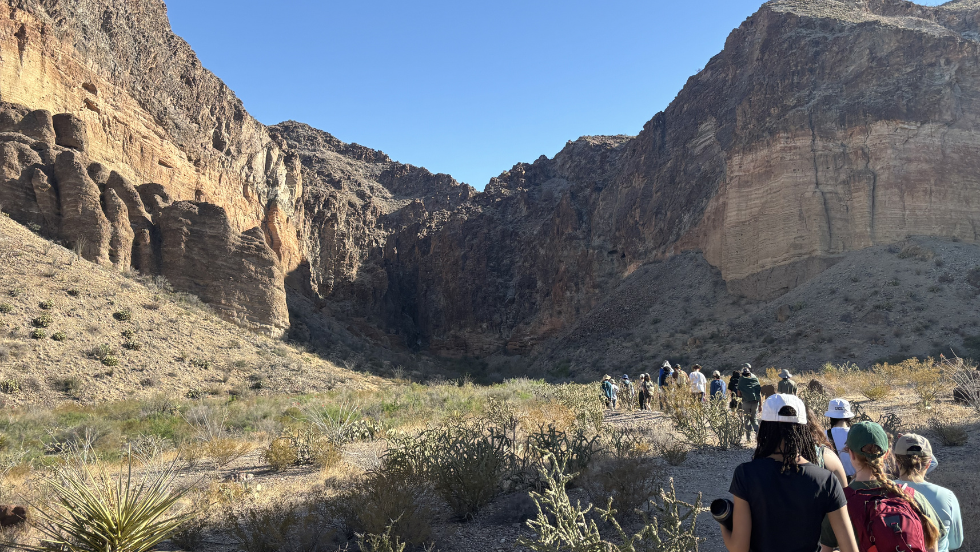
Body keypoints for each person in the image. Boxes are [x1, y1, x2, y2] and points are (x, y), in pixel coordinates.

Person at [722, 394, 859, 552]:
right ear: (803, 429)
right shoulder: (826, 480)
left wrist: (723, 522)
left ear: (765, 427)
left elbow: (739, 548)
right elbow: (849, 548)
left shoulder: (746, 474)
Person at [818, 422, 944, 552]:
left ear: (851, 454)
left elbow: (826, 549)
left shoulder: (841, 502)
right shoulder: (912, 496)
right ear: (887, 454)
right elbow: (932, 546)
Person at [893, 434, 963, 552]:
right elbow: (955, 542)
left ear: (897, 462)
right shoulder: (947, 496)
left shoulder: (882, 491)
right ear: (928, 463)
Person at [825, 398, 856, 479]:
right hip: (857, 482)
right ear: (848, 417)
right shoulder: (857, 433)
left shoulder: (824, 435)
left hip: (836, 483)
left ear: (830, 417)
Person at [737, 365, 762, 441]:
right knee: (754, 419)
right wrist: (761, 405)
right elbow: (759, 393)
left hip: (746, 402)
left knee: (747, 419)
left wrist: (742, 394)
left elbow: (738, 393)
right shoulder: (755, 379)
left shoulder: (741, 380)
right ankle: (758, 435)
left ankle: (748, 438)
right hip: (755, 402)